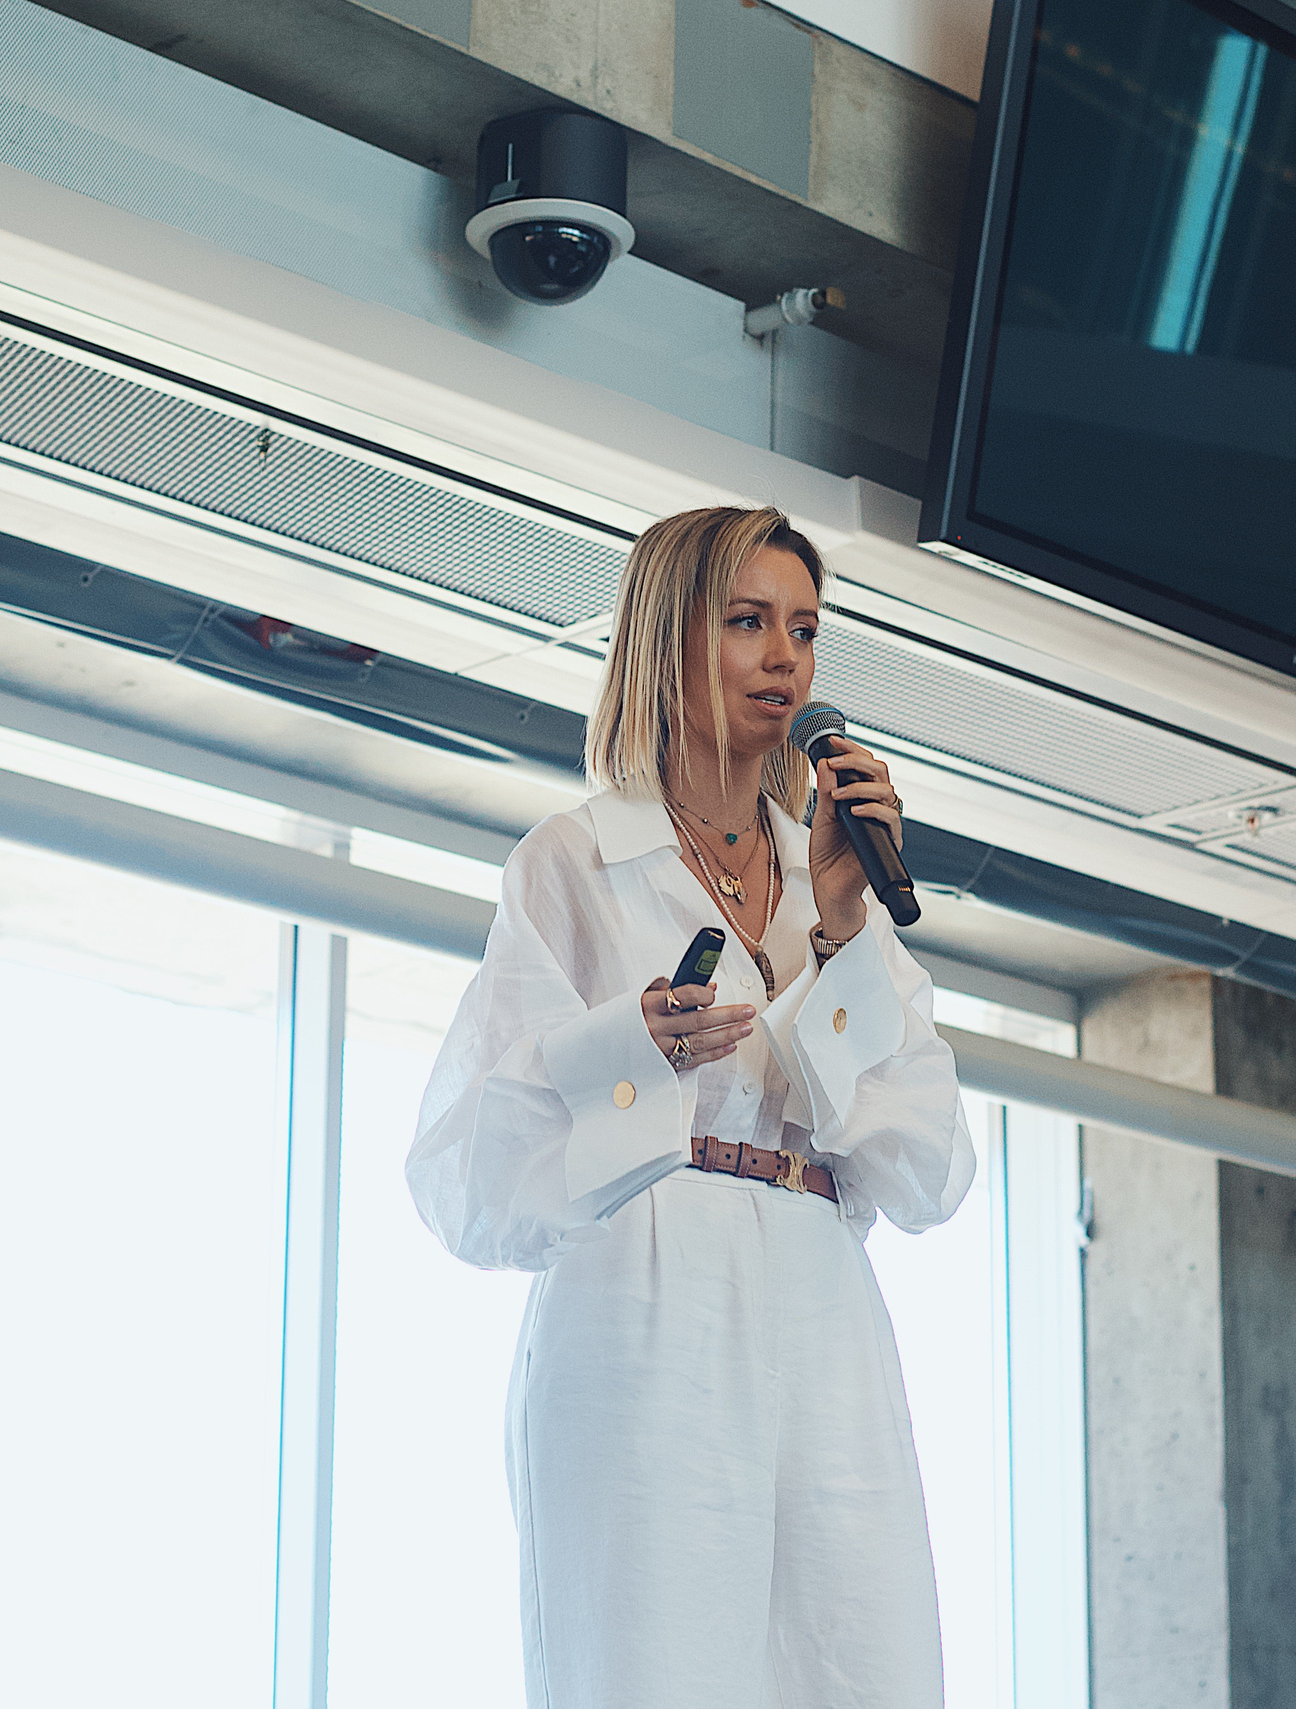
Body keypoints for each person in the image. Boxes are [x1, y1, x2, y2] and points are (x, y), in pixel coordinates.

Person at [407, 505, 976, 1708]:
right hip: (644, 1286)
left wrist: (839, 928)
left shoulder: (833, 876)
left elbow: (928, 1168)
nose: (785, 658)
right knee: (656, 1660)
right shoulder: (571, 860)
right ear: (670, 638)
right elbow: (466, 1171)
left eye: (805, 630)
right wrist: (631, 1047)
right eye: (748, 621)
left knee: (859, 1658)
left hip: (821, 1294)